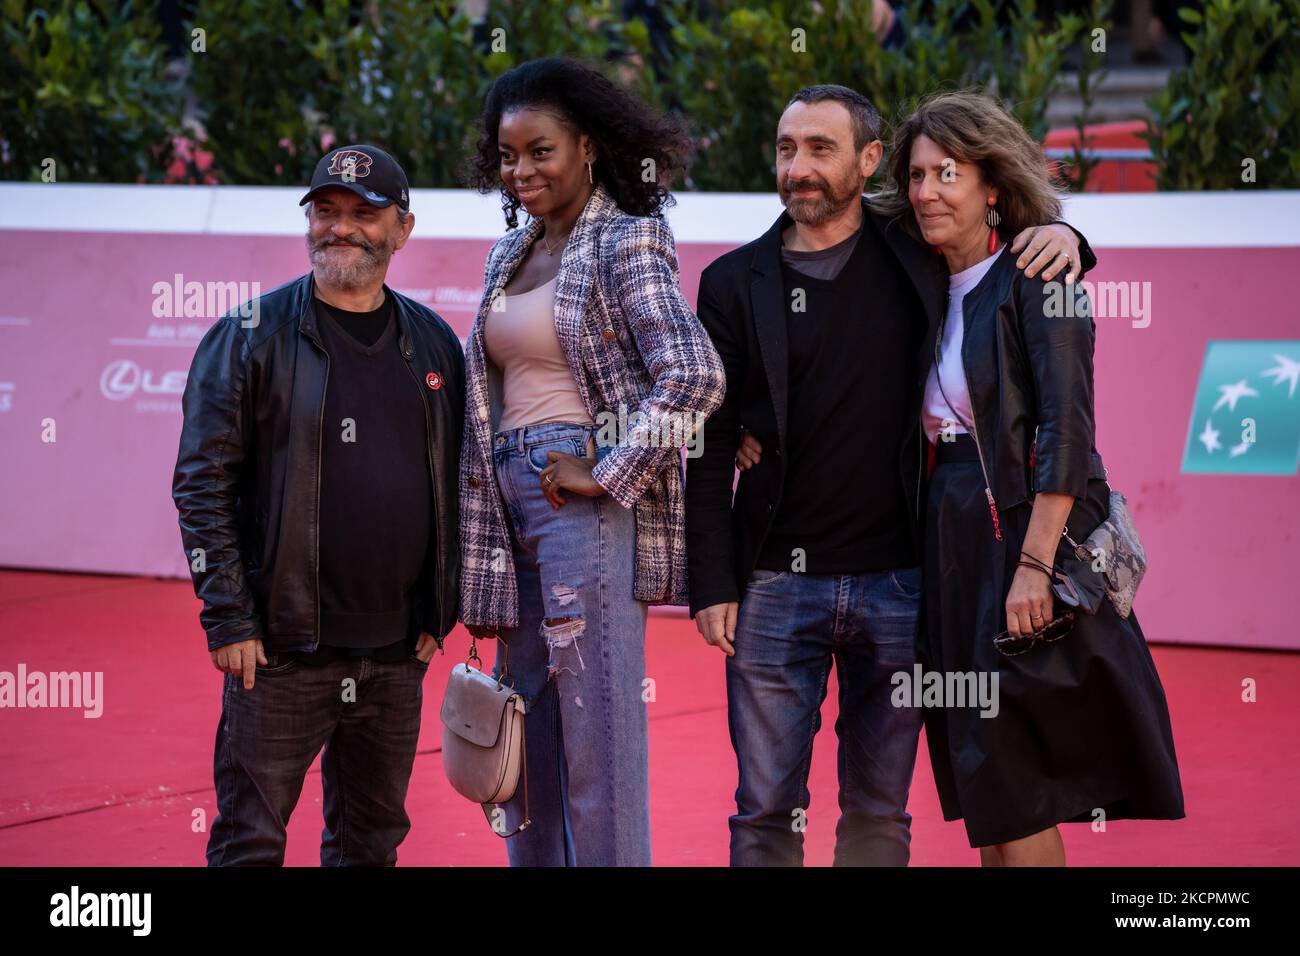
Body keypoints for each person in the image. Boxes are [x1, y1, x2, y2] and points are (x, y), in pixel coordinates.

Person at [685, 84, 1094, 866]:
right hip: (774, 584)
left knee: (880, 812)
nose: (798, 167)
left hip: (902, 585)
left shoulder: (918, 257)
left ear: (869, 159)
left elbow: (996, 235)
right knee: (763, 809)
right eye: (785, 148)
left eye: (820, 149)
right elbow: (710, 444)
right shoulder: (733, 283)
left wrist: (1067, 236)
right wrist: (712, 584)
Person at [877, 89, 1185, 865]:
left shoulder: (1037, 277)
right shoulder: (916, 278)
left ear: (991, 184)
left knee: (1016, 777)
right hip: (947, 539)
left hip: (1018, 531)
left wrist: (1034, 565)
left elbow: (1068, 433)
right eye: (914, 175)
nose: (924, 191)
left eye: (946, 173)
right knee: (991, 777)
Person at [458, 57, 725, 866]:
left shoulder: (628, 238)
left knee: (596, 738)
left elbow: (696, 373)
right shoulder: (508, 254)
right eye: (508, 155)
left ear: (587, 148)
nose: (522, 170)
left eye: (540, 151)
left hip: (581, 504)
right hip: (511, 504)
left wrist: (605, 468)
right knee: (525, 738)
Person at [173, 144, 465, 865]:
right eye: (326, 212)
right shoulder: (248, 337)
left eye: (364, 215)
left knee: (370, 845)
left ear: (403, 228)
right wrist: (230, 617)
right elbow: (201, 484)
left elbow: (459, 484)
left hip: (397, 654)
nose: (342, 229)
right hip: (278, 651)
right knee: (251, 841)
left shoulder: (434, 344)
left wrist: (439, 607)